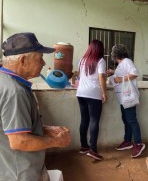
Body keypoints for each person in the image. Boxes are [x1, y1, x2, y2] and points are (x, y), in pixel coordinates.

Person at [0, 32, 71, 181]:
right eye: (40, 58)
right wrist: (58, 141)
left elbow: (9, 127)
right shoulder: (15, 92)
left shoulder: (6, 81)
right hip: (20, 173)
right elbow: (19, 141)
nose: (44, 64)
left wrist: (46, 129)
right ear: (23, 60)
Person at [107, 44, 145, 158]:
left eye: (112, 53)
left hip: (128, 96)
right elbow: (124, 73)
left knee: (131, 119)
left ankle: (138, 143)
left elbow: (134, 73)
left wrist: (120, 79)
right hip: (123, 97)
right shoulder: (122, 64)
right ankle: (128, 140)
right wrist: (113, 72)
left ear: (115, 54)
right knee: (126, 119)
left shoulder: (127, 61)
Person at [76, 40, 107, 161]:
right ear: (100, 49)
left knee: (84, 119)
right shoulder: (100, 61)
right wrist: (104, 93)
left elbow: (80, 76)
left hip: (81, 93)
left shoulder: (82, 60)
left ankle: (84, 146)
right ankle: (93, 150)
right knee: (94, 120)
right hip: (93, 94)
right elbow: (101, 77)